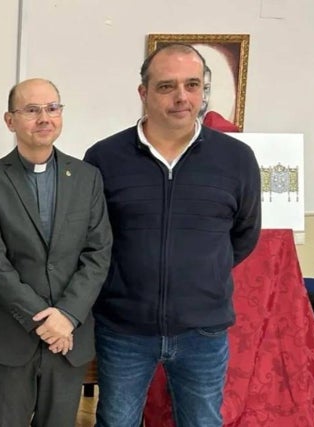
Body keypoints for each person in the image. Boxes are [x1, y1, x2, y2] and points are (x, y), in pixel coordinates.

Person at [83, 43, 262, 427]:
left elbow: (244, 234)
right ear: (143, 93)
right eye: (167, 86)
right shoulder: (104, 157)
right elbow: (93, 238)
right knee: (116, 422)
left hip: (204, 329)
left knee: (202, 422)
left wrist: (202, 274)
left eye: (192, 84)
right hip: (124, 327)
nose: (182, 97)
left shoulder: (237, 159)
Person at [0, 78, 112, 427]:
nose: (44, 118)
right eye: (32, 110)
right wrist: (45, 320)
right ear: (10, 120)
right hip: (9, 339)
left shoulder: (87, 177)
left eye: (52, 108)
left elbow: (98, 253)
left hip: (69, 339)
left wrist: (67, 315)